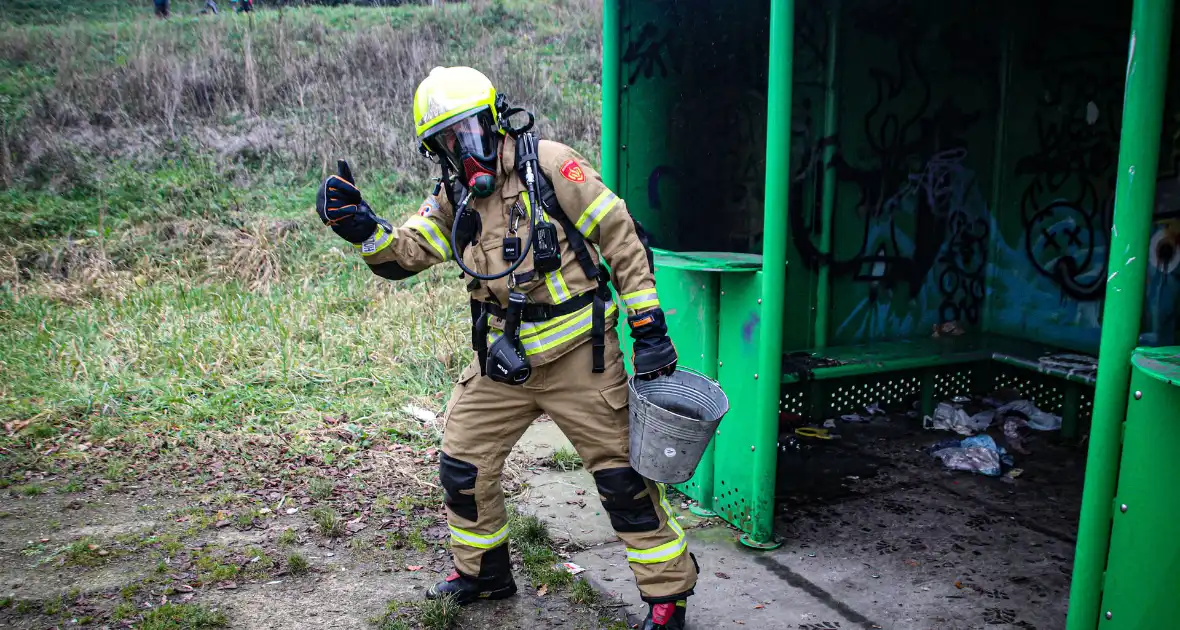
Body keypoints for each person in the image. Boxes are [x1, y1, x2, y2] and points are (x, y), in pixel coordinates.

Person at [316, 67, 697, 630]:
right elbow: (407, 253)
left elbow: (619, 234)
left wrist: (648, 327)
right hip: (501, 363)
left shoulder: (550, 166)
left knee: (625, 483)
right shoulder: (452, 195)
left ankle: (667, 596)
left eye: (467, 130)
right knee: (461, 468)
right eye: (446, 140)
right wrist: (364, 230)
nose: (461, 148)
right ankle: (484, 574)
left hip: (580, 360)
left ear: (496, 120)